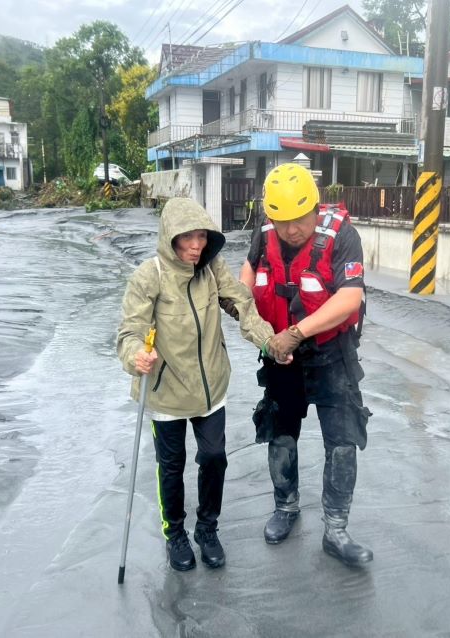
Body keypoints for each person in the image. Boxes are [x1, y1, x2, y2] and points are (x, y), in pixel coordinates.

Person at [117, 197, 274, 571]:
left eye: (201, 236)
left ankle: (207, 529)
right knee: (171, 467)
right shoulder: (149, 275)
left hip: (210, 389)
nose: (195, 245)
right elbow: (129, 331)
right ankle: (175, 535)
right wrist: (136, 355)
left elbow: (241, 303)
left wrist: (270, 341)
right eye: (186, 237)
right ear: (170, 237)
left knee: (215, 458)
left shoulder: (212, 268)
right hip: (165, 393)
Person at [240, 162, 373, 567]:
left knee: (343, 442)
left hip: (330, 356)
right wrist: (256, 324)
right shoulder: (264, 235)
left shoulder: (342, 236)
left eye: (299, 220)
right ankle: (286, 506)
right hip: (281, 359)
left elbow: (350, 298)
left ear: (315, 209)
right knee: (280, 434)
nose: (291, 230)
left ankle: (336, 529)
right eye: (281, 222)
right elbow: (246, 278)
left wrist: (296, 333)